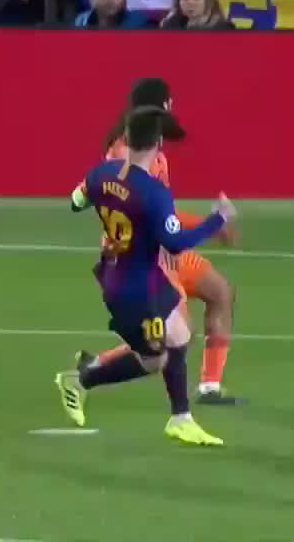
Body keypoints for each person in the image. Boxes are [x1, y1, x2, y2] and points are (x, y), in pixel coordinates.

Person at [53, 106, 233, 445]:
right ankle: (80, 380)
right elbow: (175, 243)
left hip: (128, 276)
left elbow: (76, 202)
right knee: (154, 360)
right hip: (137, 292)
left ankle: (181, 418)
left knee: (180, 334)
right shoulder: (153, 193)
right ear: (158, 144)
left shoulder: (100, 174)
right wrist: (217, 220)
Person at [77, 79, 240, 404]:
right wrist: (211, 223)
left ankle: (209, 387)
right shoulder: (124, 153)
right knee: (173, 337)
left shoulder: (151, 149)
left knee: (220, 291)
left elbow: (161, 212)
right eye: (169, 104)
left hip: (165, 250)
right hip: (144, 259)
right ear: (161, 107)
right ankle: (97, 370)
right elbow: (137, 209)